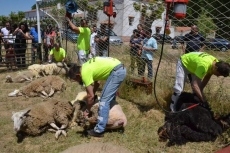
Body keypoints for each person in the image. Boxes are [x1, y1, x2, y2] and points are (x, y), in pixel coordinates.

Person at [73, 57, 126, 137]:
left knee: (104, 100)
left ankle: (99, 130)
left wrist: (87, 109)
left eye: (75, 80)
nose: (77, 81)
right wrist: (93, 95)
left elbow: (90, 96)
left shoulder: (84, 73)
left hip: (116, 72)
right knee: (107, 97)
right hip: (119, 68)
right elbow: (97, 83)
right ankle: (109, 117)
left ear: (77, 75)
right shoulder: (86, 66)